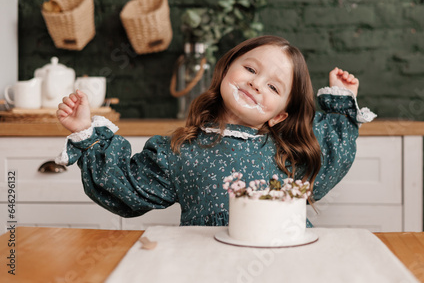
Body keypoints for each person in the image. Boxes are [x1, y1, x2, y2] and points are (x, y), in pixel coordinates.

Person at [55, 35, 376, 226]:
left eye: (273, 87)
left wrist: (340, 103)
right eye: (250, 69)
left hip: (285, 265)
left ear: (280, 116)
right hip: (204, 267)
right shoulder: (178, 149)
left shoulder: (288, 152)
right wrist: (86, 130)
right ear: (226, 69)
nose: (255, 82)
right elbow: (126, 188)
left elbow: (335, 152)